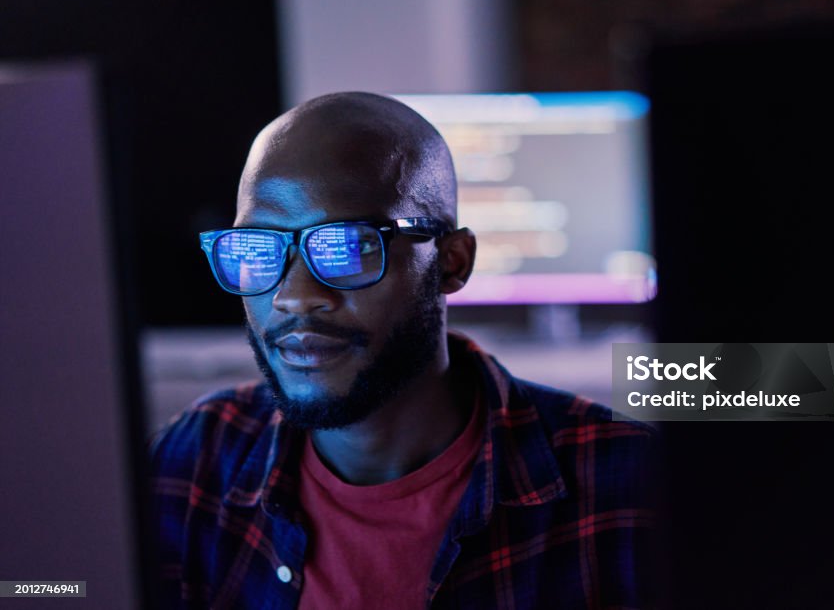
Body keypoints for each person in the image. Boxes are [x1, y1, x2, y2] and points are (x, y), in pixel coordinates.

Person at [150, 92, 656, 609]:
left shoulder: (628, 485)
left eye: (350, 246)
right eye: (256, 249)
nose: (294, 295)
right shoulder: (196, 461)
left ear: (453, 262)